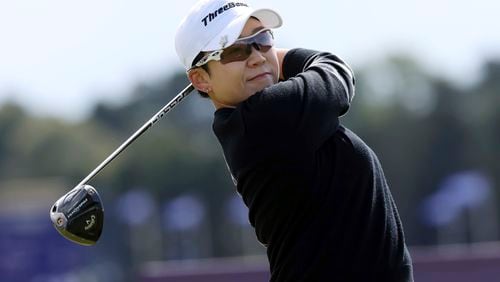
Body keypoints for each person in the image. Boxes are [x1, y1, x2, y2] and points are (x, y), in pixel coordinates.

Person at [175, 0, 414, 281]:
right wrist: (279, 57)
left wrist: (265, 56)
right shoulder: (266, 119)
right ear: (201, 80)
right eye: (234, 50)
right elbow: (336, 74)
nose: (256, 57)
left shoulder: (249, 124)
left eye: (262, 40)